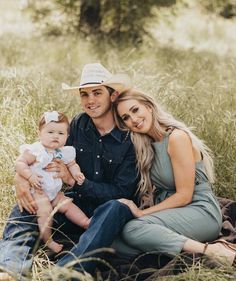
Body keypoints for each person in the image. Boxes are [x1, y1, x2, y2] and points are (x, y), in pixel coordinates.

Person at [0, 63, 138, 280]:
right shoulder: (79, 124)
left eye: (97, 92)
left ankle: (62, 273)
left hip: (106, 213)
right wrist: (21, 178)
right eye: (84, 94)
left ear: (113, 96)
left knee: (116, 207)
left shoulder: (129, 137)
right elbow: (46, 151)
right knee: (29, 204)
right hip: (76, 205)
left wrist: (74, 182)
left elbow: (123, 191)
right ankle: (10, 269)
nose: (90, 100)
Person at [112, 89, 236, 267]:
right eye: (125, 117)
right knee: (115, 244)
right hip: (173, 212)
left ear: (149, 107)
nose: (133, 119)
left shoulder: (176, 138)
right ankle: (177, 245)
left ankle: (211, 251)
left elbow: (184, 196)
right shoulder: (146, 144)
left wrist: (141, 213)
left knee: (133, 230)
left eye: (135, 110)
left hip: (199, 210)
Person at [15, 111, 90, 253]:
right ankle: (48, 240)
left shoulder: (64, 152)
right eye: (50, 132)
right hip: (37, 191)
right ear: (40, 133)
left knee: (67, 204)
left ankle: (86, 222)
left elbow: (72, 164)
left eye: (61, 134)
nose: (56, 136)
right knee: (46, 210)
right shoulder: (36, 150)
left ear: (67, 136)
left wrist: (77, 173)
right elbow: (19, 163)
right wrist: (29, 176)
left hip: (54, 192)